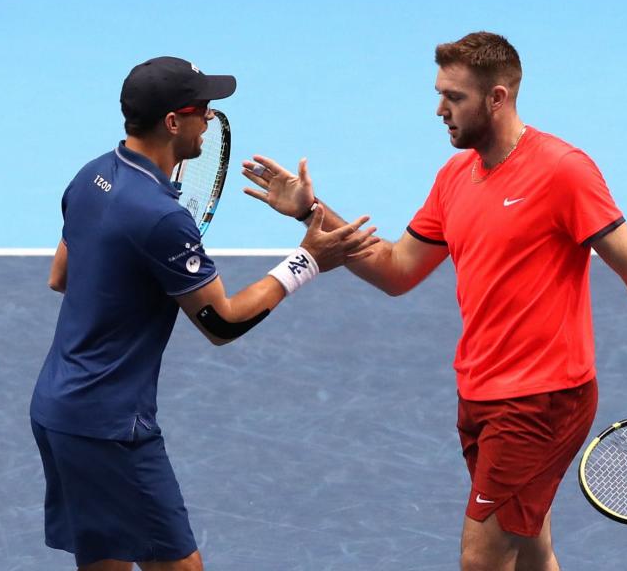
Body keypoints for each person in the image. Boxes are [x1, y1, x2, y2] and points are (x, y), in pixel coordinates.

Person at [241, 32, 627, 571]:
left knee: (481, 560)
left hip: (541, 402)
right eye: (439, 93)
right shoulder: (454, 177)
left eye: (455, 97)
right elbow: (397, 270)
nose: (440, 109)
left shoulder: (563, 171)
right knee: (532, 552)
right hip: (480, 394)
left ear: (498, 98)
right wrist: (312, 214)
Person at [29, 56, 378, 571]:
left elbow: (62, 276)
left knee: (104, 562)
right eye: (203, 109)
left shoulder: (92, 175)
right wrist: (306, 262)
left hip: (56, 412)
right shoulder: (162, 218)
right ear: (173, 122)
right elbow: (221, 322)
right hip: (111, 427)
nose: (210, 120)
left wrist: (133, 279)